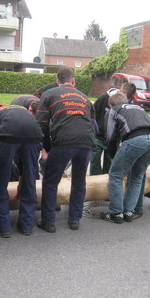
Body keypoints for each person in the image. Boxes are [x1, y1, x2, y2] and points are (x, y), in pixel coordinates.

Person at [36, 67, 95, 232]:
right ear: (73, 80)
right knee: (79, 181)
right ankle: (75, 219)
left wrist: (47, 147)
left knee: (50, 182)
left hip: (63, 142)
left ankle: (48, 222)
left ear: (57, 81)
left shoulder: (49, 94)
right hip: (86, 142)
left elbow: (41, 124)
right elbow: (92, 124)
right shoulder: (85, 97)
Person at [100, 91, 150, 224]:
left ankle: (116, 212)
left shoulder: (113, 110)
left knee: (116, 175)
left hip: (136, 139)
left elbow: (110, 137)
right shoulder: (138, 107)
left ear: (110, 105)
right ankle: (128, 211)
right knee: (137, 177)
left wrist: (112, 156)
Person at [0, 104, 43, 237]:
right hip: (33, 136)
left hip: (7, 136)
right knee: (29, 178)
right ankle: (26, 225)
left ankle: (3, 226)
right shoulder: (27, 115)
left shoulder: (0, 114)